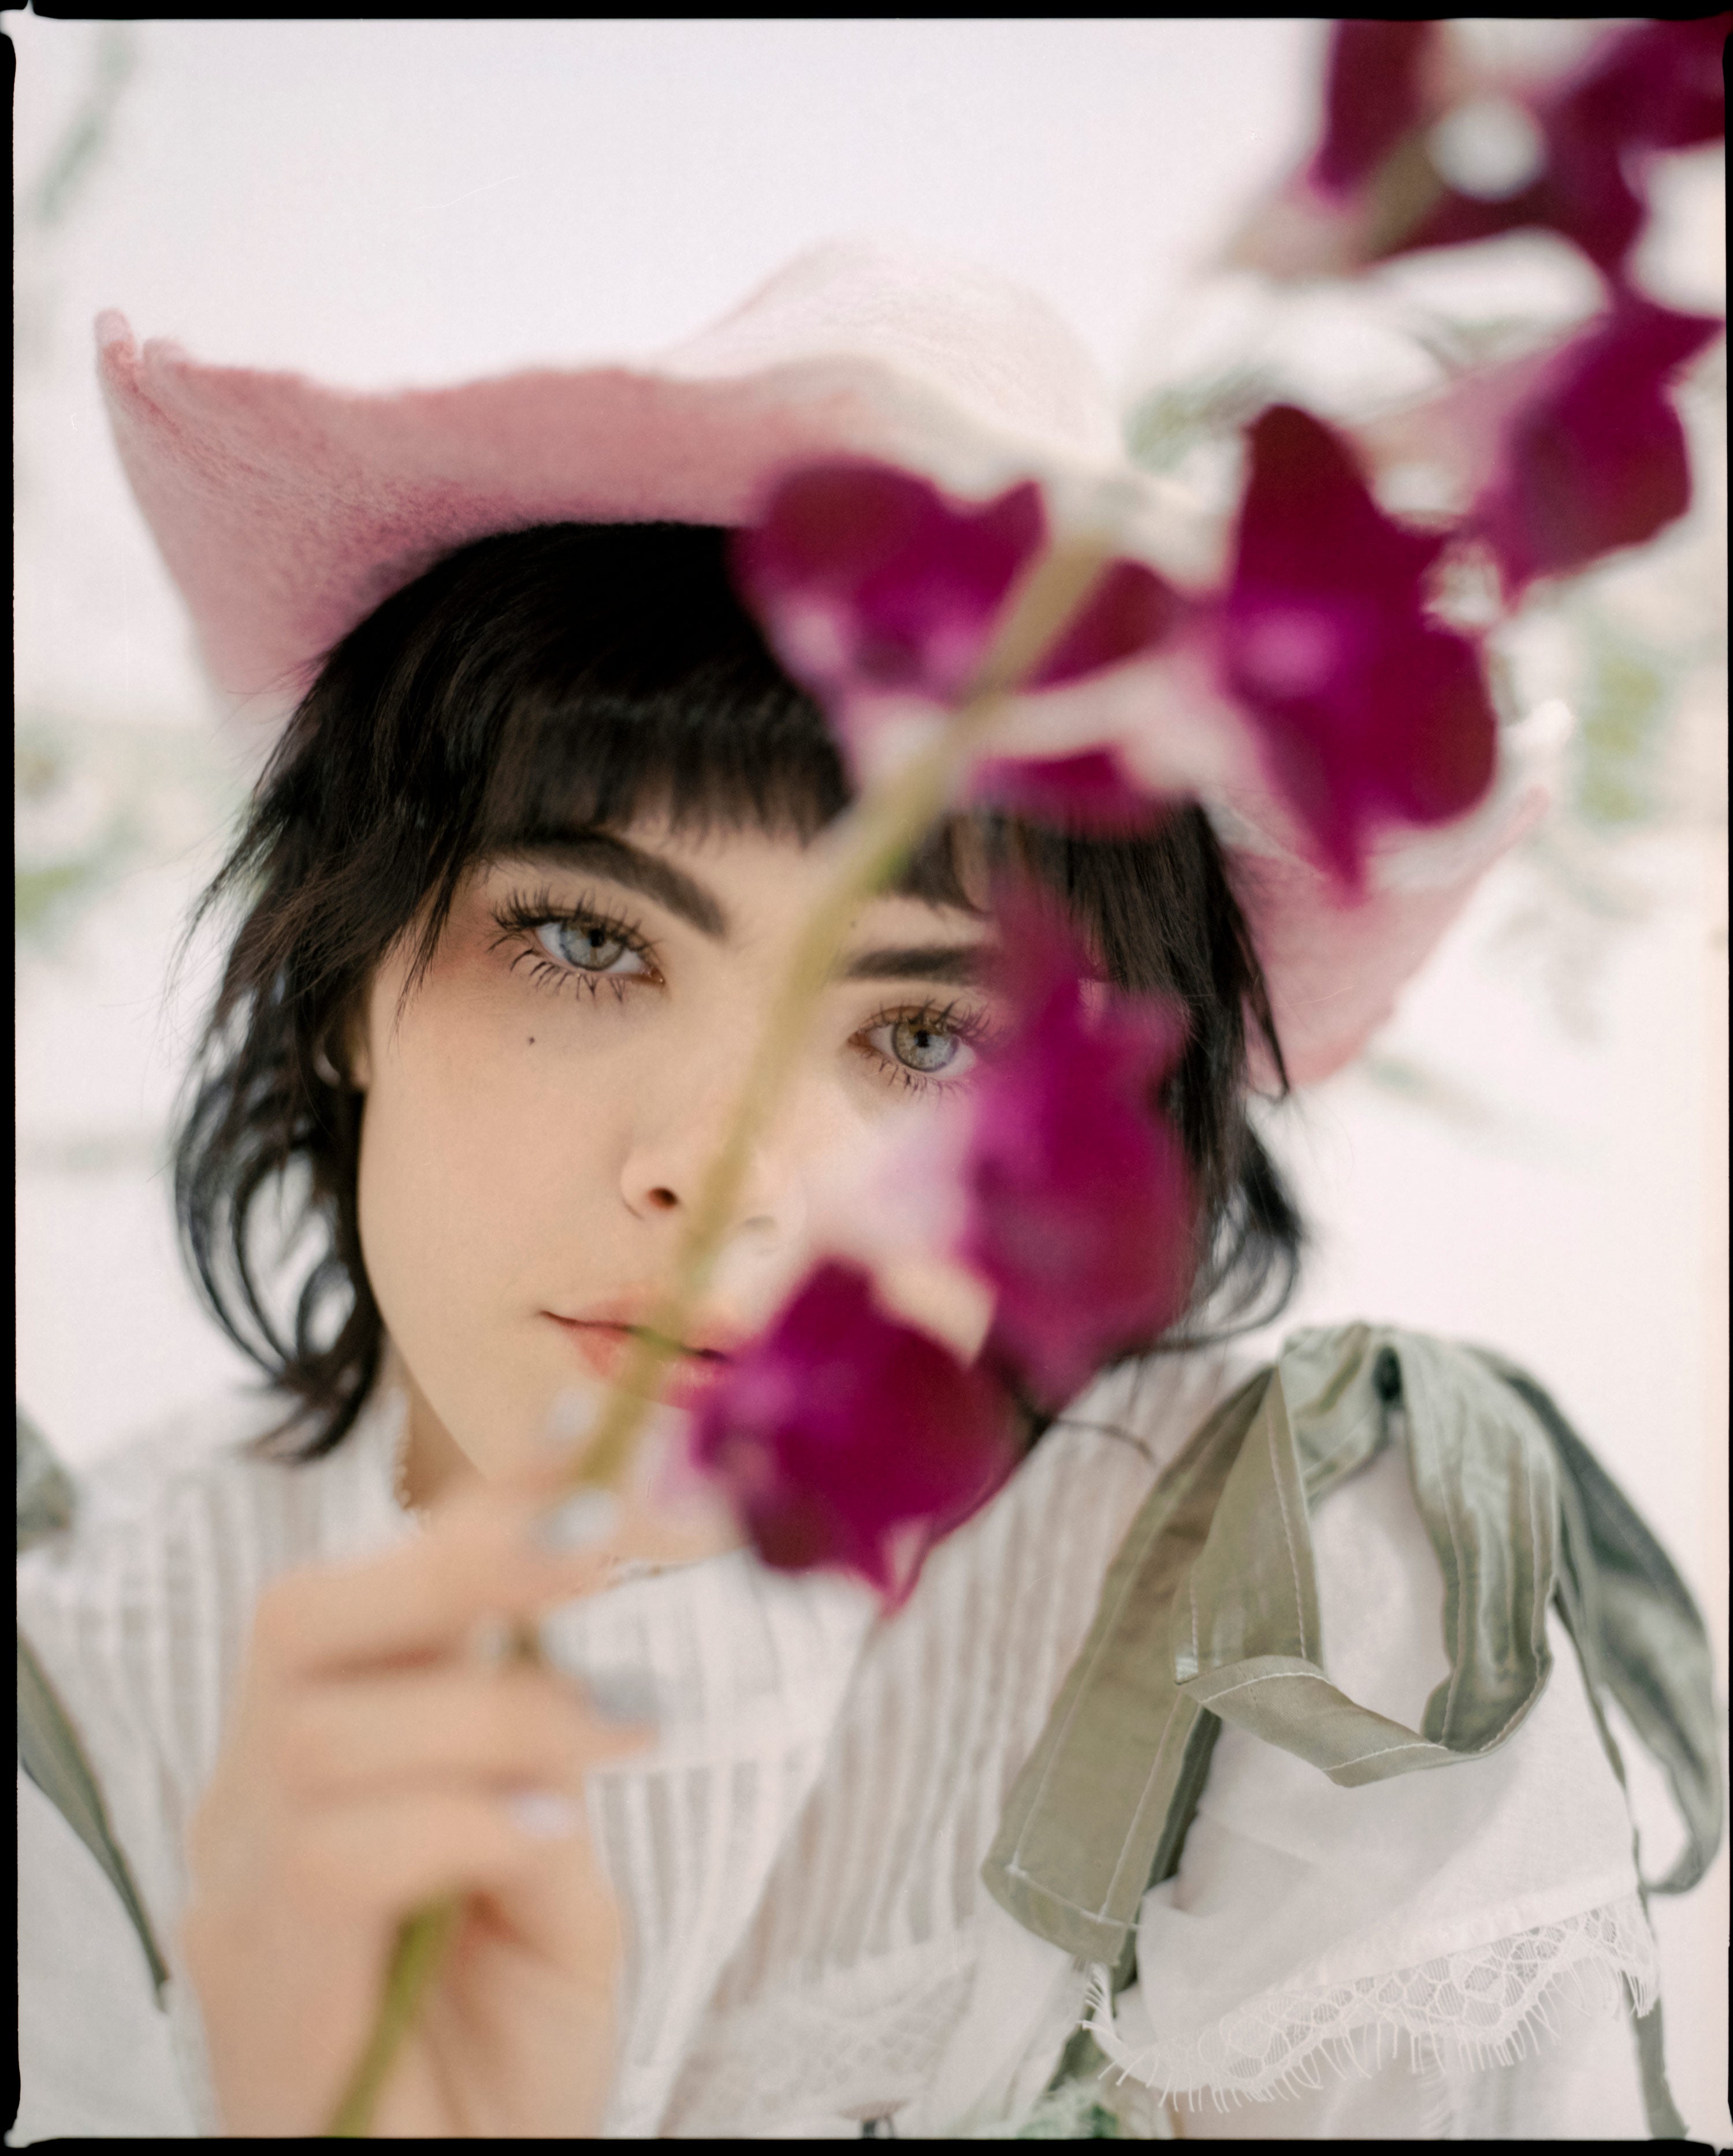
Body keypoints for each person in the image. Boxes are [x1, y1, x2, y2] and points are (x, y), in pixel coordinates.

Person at [14, 240, 1717, 2141]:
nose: (715, 1177)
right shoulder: (71, 1703)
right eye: (584, 942)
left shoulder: (1304, 1650)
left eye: (926, 1036)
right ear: (344, 976)